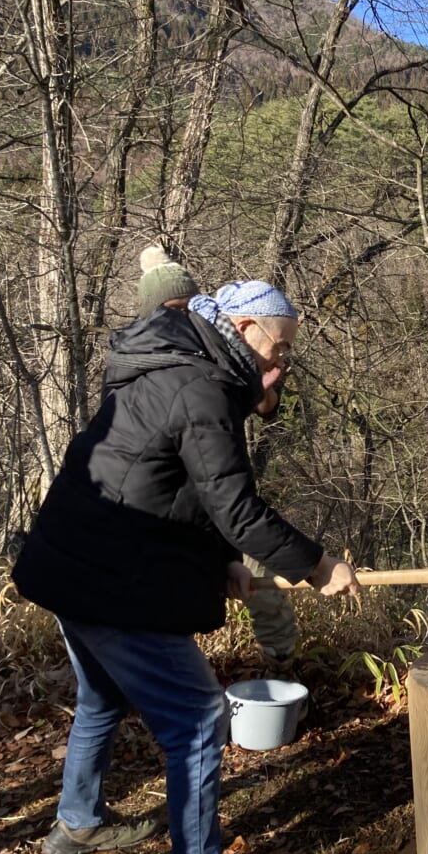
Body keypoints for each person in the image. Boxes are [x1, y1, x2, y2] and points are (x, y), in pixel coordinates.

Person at [13, 279, 360, 854]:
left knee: (101, 697)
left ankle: (76, 823)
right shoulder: (202, 387)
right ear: (247, 330)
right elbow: (237, 508)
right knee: (201, 720)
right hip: (107, 576)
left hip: (74, 559)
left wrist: (221, 558)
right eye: (279, 350)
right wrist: (318, 565)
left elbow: (176, 485)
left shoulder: (182, 359)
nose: (281, 365)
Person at [136, 245, 301, 662]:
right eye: (169, 307)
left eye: (184, 304)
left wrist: (258, 391)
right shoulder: (160, 366)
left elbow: (267, 408)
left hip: (223, 499)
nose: (179, 313)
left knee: (264, 594)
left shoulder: (224, 347)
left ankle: (280, 671)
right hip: (177, 517)